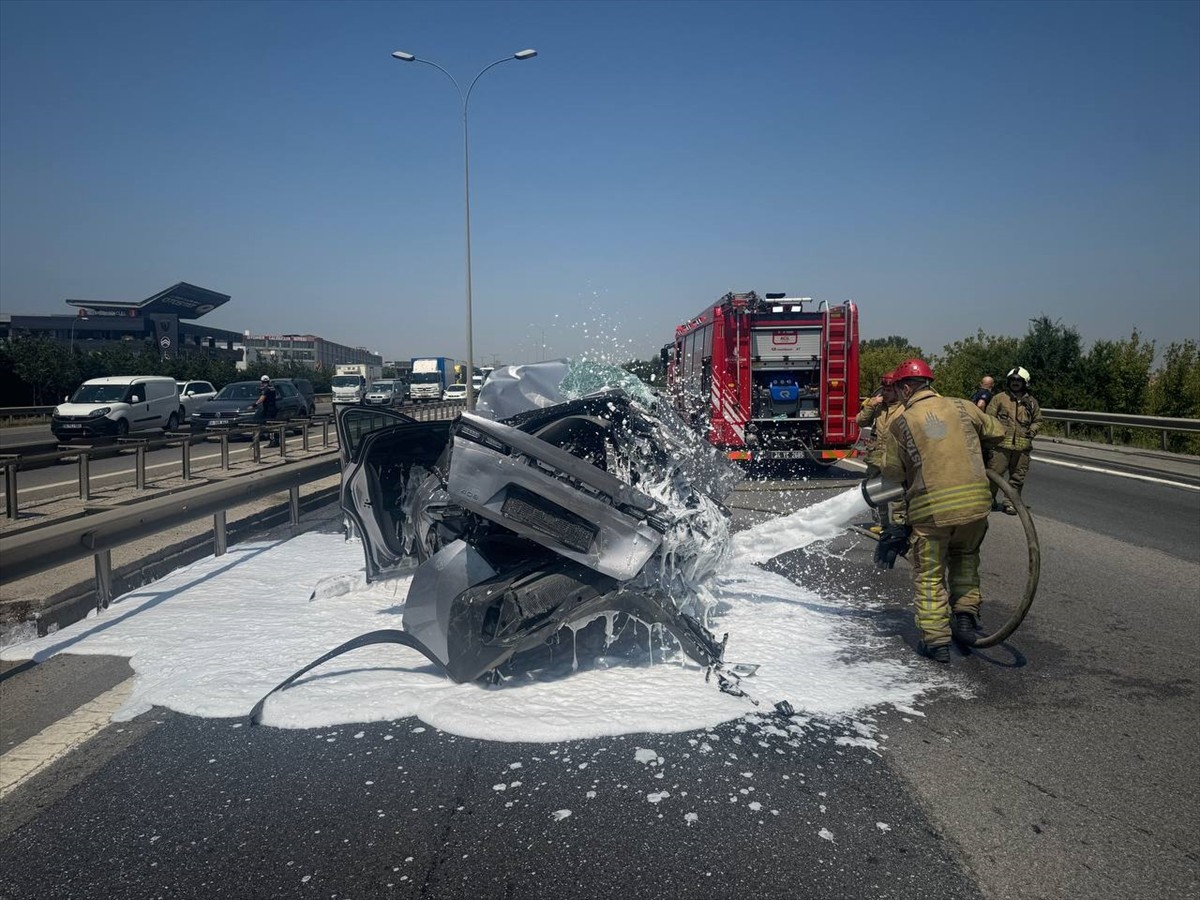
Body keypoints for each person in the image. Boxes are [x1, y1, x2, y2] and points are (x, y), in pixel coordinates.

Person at [876, 358, 1005, 663]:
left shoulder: (901, 422)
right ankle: (965, 615)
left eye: (899, 388)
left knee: (930, 575)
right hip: (975, 506)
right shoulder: (963, 405)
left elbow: (892, 473)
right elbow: (996, 432)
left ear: (906, 388)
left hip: (932, 512)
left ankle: (936, 643)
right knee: (966, 557)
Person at [985, 366, 1042, 515]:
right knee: (994, 475)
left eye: (1018, 380)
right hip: (1000, 446)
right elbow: (989, 418)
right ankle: (988, 501)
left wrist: (1032, 430)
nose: (1015, 383)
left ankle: (1010, 503)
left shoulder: (1031, 402)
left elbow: (1038, 420)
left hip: (1022, 449)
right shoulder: (999, 398)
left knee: (1017, 478)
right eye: (1013, 380)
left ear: (1025, 382)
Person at [855, 373, 901, 530]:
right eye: (884, 389)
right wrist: (871, 405)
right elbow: (860, 421)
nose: (885, 393)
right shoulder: (877, 407)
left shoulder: (905, 408)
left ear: (898, 390)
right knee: (876, 492)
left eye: (889, 390)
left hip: (896, 458)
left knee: (898, 494)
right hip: (876, 458)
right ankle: (881, 523)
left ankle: (899, 526)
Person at [255, 374, 279, 445]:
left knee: (269, 425)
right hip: (273, 408)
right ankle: (275, 440)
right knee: (272, 425)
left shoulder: (266, 389)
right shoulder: (272, 388)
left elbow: (262, 398)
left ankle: (272, 440)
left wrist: (255, 404)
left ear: (262, 382)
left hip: (268, 409)